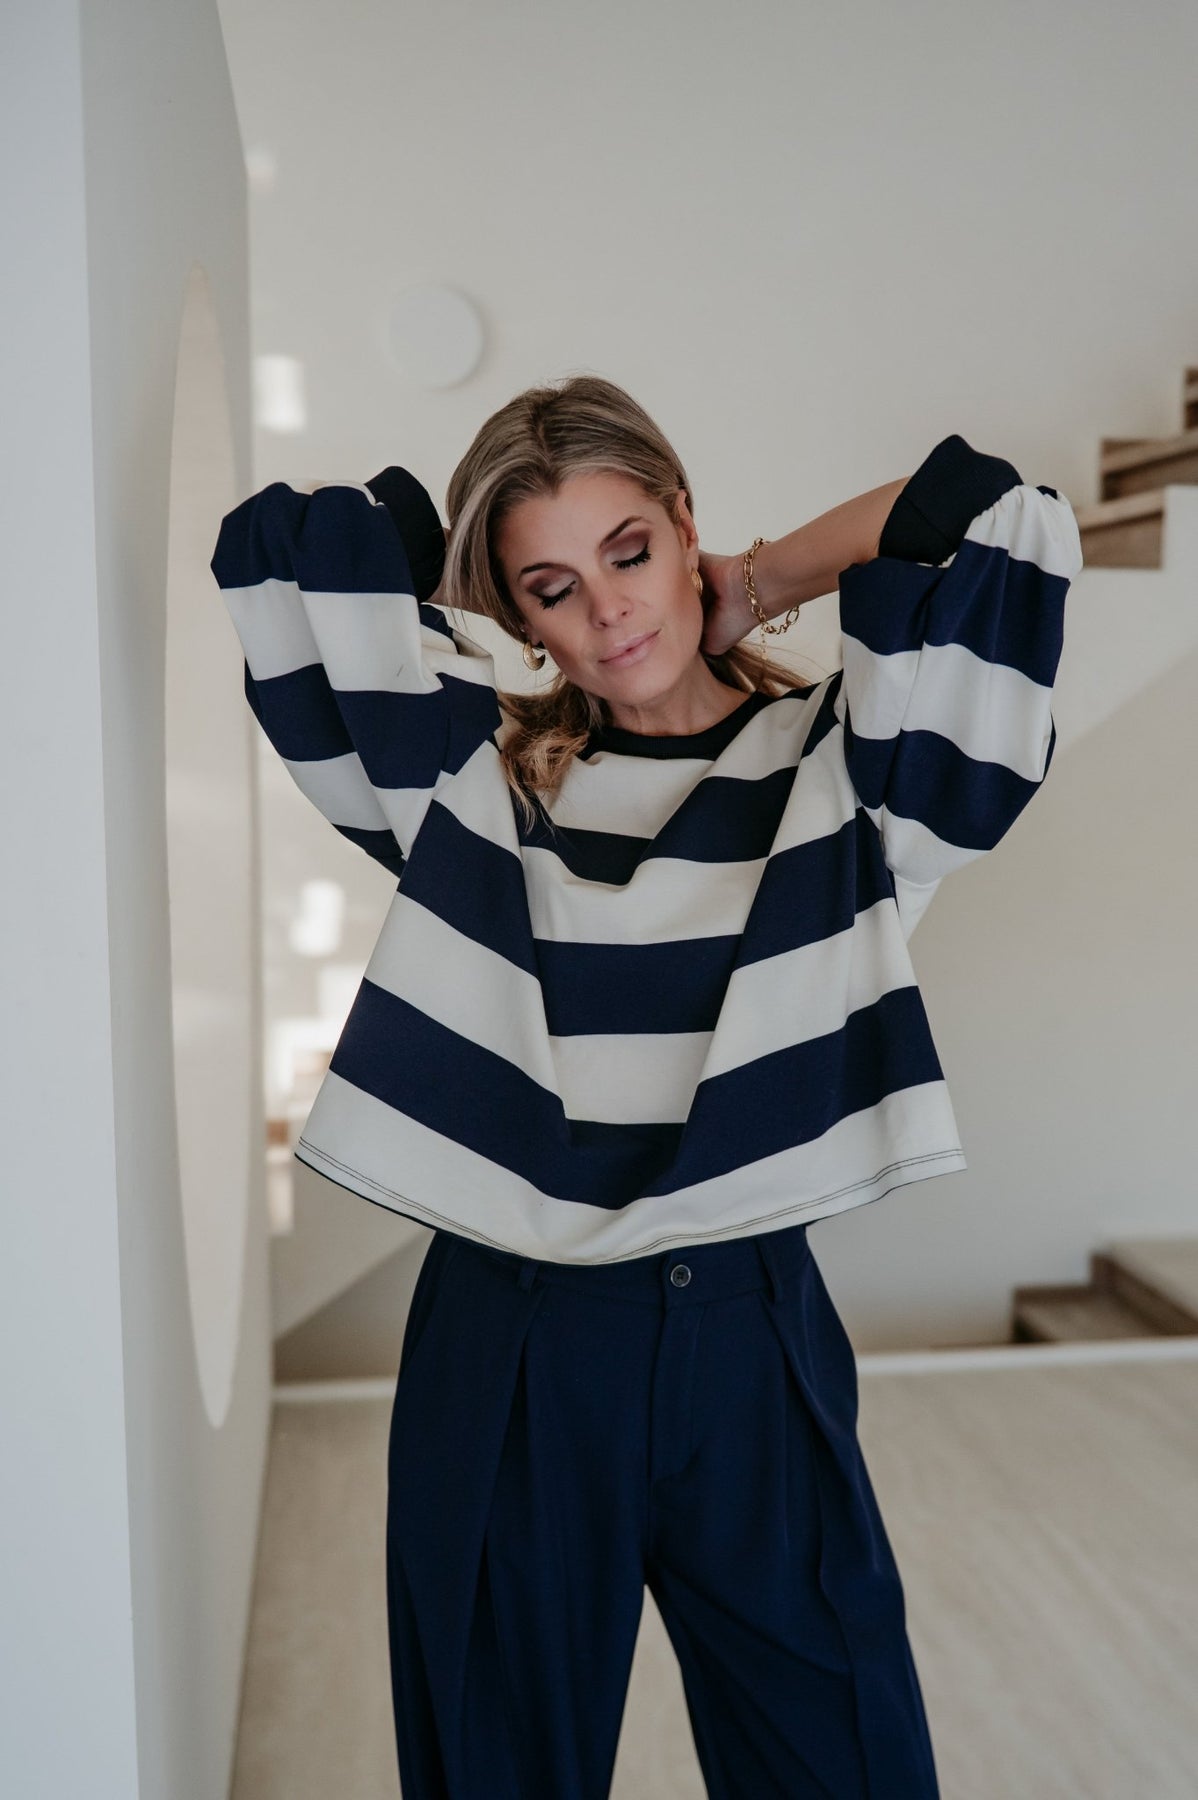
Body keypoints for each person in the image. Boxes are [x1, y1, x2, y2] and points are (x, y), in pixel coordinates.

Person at [210, 375, 1083, 1798]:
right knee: (499, 1768)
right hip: (513, 1337)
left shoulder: (852, 773)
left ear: (684, 523)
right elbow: (292, 549)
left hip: (752, 1330)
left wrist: (761, 581)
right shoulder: (474, 788)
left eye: (630, 550)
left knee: (846, 1759)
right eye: (551, 588)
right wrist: (482, 604)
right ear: (518, 615)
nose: (608, 611)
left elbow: (990, 512)